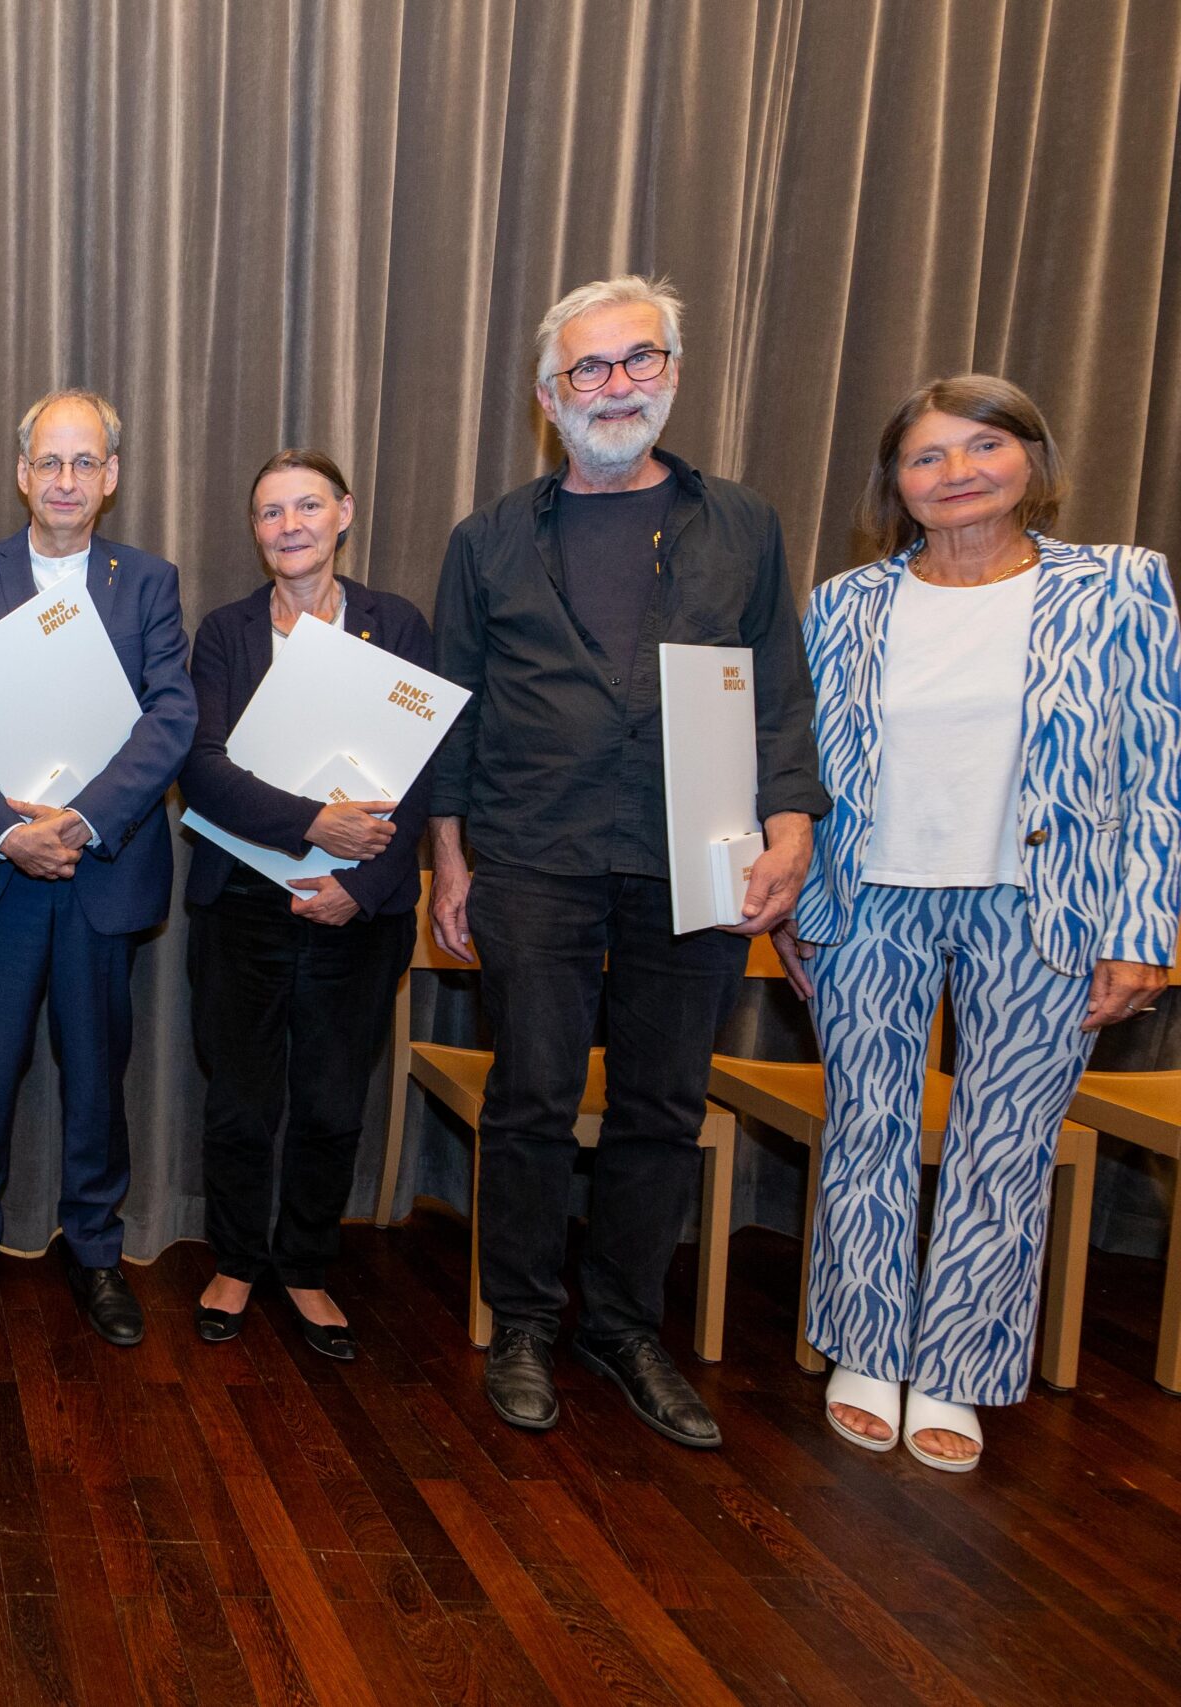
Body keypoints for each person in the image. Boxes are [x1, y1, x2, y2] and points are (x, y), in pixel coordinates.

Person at [426, 275, 827, 1447]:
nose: (615, 387)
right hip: (532, 851)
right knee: (533, 1098)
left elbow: (781, 694)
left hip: (693, 857)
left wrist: (791, 825)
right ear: (549, 399)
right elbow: (453, 711)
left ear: (671, 373)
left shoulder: (742, 523)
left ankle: (622, 1325)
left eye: (636, 361)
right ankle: (522, 1322)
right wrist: (448, 862)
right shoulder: (488, 537)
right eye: (588, 371)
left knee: (659, 1103)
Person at [784, 376, 1180, 1471]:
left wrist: (1142, 927)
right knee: (867, 1128)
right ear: (894, 486)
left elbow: (1155, 775)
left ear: (1032, 462)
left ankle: (955, 1367)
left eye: (982, 445)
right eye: (926, 456)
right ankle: (866, 1347)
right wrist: (798, 910)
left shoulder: (1119, 589)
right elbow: (808, 775)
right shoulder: (844, 603)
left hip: (1041, 906)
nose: (955, 471)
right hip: (871, 899)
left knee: (1002, 1147)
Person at [0, 389, 196, 1345]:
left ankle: (97, 1252)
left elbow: (172, 719)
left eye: (85, 463)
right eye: (50, 462)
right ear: (22, 474)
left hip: (100, 874)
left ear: (111, 478)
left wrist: (79, 821)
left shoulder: (149, 582)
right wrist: (8, 831)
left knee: (97, 1077)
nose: (66, 480)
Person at [179, 450, 435, 1359]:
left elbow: (428, 769)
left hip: (357, 912)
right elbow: (201, 769)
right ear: (254, 531)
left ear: (344, 513)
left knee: (330, 1100)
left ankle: (306, 1266)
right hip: (241, 905)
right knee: (241, 1100)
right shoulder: (225, 631)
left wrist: (357, 884)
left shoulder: (396, 625)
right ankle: (238, 1261)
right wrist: (314, 823)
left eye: (306, 506)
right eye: (269, 512)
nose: (288, 525)